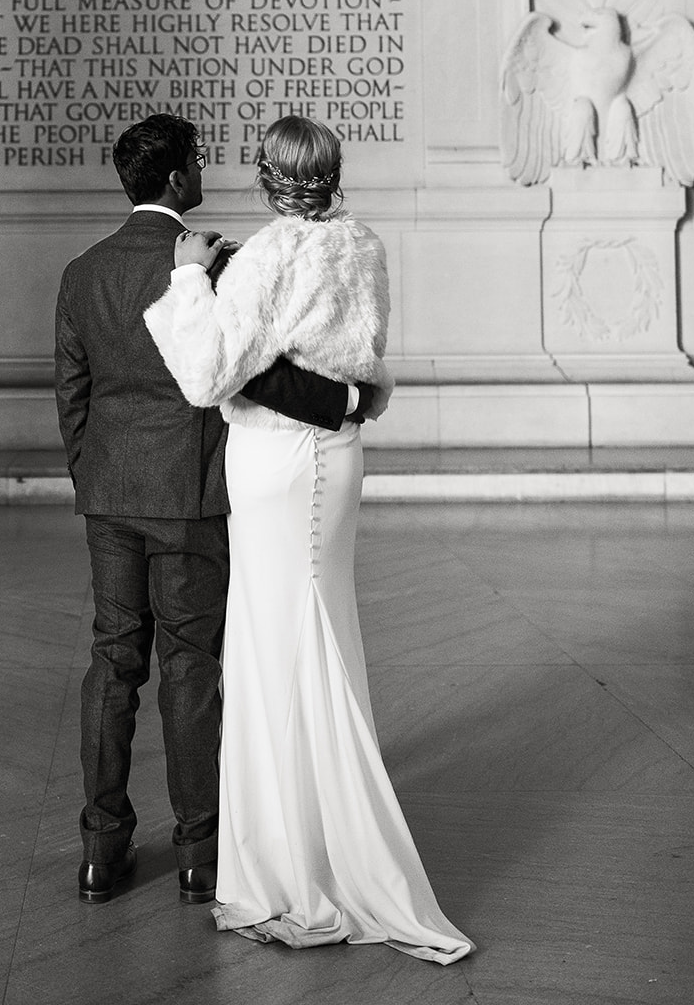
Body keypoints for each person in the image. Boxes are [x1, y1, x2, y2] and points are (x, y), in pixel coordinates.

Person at [143, 114, 474, 962]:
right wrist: (357, 401)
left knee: (275, 643)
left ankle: (296, 866)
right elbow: (362, 367)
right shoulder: (363, 244)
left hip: (275, 466)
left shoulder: (262, 256)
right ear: (331, 176)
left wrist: (189, 281)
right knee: (319, 633)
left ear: (264, 181)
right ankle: (324, 837)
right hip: (339, 458)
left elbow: (205, 374)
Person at [54, 112, 352, 906]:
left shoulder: (82, 272)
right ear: (179, 177)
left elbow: (72, 396)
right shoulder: (214, 263)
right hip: (189, 495)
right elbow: (235, 374)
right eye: (195, 161)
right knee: (190, 669)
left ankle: (98, 850)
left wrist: (94, 480)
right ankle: (197, 857)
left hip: (111, 496)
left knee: (112, 664)